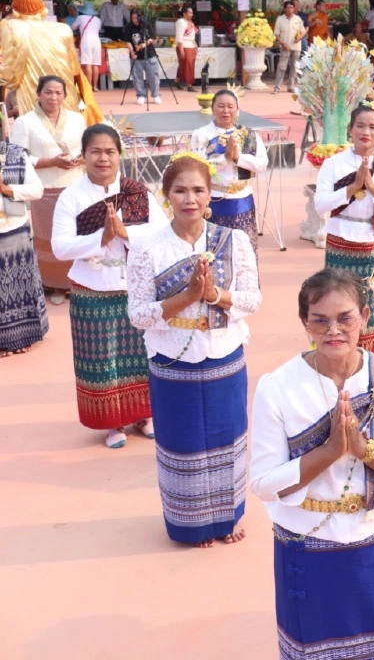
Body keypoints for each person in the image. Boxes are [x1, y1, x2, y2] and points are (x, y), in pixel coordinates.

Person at [249, 268, 374, 656]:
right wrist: (329, 452)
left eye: (345, 318)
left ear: (364, 317)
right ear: (304, 322)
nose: (334, 330)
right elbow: (263, 483)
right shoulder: (278, 388)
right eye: (320, 320)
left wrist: (366, 450)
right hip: (309, 546)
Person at [127, 153, 261, 546]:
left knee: (227, 437)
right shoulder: (147, 248)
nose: (190, 199)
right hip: (172, 358)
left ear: (210, 194)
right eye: (180, 191)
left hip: (224, 352)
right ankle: (191, 526)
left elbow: (253, 300)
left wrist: (214, 295)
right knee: (182, 440)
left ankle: (227, 519)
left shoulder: (234, 241)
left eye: (198, 190)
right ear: (166, 195)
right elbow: (138, 314)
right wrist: (187, 297)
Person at [52, 124, 168, 448]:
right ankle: (112, 423)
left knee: (141, 357)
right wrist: (101, 237)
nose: (103, 158)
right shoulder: (70, 197)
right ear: (83, 155)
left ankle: (144, 415)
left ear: (119, 155)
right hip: (91, 291)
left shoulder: (138, 193)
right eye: (95, 151)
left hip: (136, 290)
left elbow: (163, 233)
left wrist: (125, 232)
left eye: (109, 151)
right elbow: (60, 247)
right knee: (101, 362)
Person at [315, 105, 374, 355]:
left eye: (372, 127)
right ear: (350, 129)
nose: (366, 132)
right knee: (339, 308)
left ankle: (372, 364)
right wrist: (352, 187)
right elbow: (320, 204)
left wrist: (373, 189)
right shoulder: (333, 164)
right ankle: (337, 359)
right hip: (341, 243)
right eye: (360, 126)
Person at [10, 75, 87, 304]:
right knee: (49, 237)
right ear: (38, 94)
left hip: (75, 187)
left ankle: (78, 282)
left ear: (65, 95)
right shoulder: (25, 121)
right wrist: (51, 162)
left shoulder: (76, 119)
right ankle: (55, 285)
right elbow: (18, 157)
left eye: (58, 93)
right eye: (48, 92)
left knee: (76, 235)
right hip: (45, 190)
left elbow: (86, 147)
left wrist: (82, 158)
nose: (53, 97)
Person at [0, 0, 102, 125]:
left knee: (34, 134)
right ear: (43, 11)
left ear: (16, 12)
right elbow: (75, 69)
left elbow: (9, 77)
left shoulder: (12, 27)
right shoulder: (64, 29)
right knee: (69, 133)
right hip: (64, 98)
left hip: (33, 101)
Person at [189, 90, 268, 254]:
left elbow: (261, 164)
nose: (226, 110)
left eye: (230, 106)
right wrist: (225, 159)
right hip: (214, 201)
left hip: (242, 200)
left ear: (237, 109)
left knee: (243, 250)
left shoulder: (249, 135)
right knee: (214, 250)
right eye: (221, 106)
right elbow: (198, 168)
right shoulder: (201, 135)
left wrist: (238, 158)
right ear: (212, 108)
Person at [0, 129, 48, 357]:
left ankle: (23, 336)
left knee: (20, 285)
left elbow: (37, 189)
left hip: (14, 229)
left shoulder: (15, 154)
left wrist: (6, 189)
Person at [126, 10, 160, 105]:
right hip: (136, 57)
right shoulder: (129, 26)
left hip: (149, 54)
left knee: (153, 76)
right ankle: (141, 95)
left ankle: (156, 95)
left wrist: (141, 46)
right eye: (133, 18)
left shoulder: (146, 24)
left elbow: (152, 38)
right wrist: (132, 51)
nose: (135, 20)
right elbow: (128, 41)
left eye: (137, 18)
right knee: (137, 77)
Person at [273, 1, 304, 94]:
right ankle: (277, 87)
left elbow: (302, 31)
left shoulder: (298, 19)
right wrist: (282, 44)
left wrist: (299, 38)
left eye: (291, 7)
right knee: (282, 66)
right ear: (284, 9)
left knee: (294, 67)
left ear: (294, 9)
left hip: (296, 46)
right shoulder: (280, 19)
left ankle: (291, 86)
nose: (289, 9)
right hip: (284, 46)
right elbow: (276, 34)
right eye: (287, 7)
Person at [72, 2, 103, 91]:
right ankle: (95, 86)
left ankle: (89, 86)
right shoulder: (98, 20)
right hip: (96, 40)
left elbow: (73, 27)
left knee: (88, 63)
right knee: (95, 64)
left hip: (86, 40)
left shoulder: (80, 18)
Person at [175, 6, 199, 92]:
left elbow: (192, 36)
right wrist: (181, 50)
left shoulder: (190, 22)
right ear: (184, 13)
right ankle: (189, 85)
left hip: (191, 46)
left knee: (185, 65)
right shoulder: (180, 22)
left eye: (192, 13)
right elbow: (179, 37)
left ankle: (176, 81)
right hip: (184, 46)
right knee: (188, 65)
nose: (191, 14)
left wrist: (195, 44)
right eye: (190, 13)